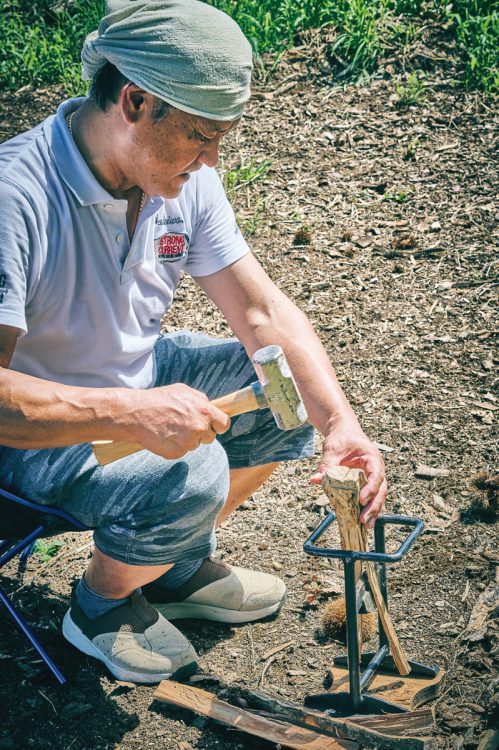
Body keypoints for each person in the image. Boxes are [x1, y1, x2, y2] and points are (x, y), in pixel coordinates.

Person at [0, 0, 386, 684]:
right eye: (203, 135)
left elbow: (261, 312)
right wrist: (127, 414)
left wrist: (339, 425)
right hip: (29, 440)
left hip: (133, 375)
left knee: (286, 391)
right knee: (193, 469)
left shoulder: (181, 180)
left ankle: (172, 569)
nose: (213, 159)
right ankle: (99, 606)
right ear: (135, 101)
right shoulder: (15, 197)